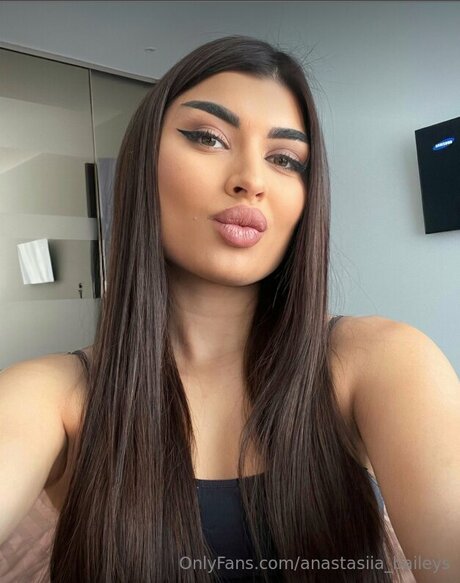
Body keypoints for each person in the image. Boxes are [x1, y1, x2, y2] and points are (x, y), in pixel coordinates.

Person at [0, 35, 458, 583]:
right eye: (208, 138)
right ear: (143, 163)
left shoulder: (380, 360)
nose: (252, 180)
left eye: (285, 159)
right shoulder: (52, 394)